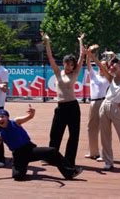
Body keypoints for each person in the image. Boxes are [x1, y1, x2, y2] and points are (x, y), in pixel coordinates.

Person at [0, 106, 83, 181]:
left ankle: (69, 172)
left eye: (2, 116)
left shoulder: (16, 122)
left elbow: (29, 117)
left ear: (7, 117)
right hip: (18, 155)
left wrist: (32, 113)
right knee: (18, 177)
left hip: (30, 150)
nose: (0, 119)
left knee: (52, 151)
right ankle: (20, 166)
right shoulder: (1, 135)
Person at [42, 32, 85, 167]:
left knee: (73, 135)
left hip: (72, 106)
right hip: (60, 107)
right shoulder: (57, 72)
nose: (68, 66)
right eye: (67, 63)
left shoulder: (75, 73)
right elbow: (50, 57)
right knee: (55, 133)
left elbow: (81, 56)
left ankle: (69, 160)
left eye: (71, 64)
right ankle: (51, 157)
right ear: (64, 63)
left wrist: (80, 41)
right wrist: (47, 41)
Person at [84, 44, 112, 160]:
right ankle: (93, 152)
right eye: (101, 65)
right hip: (93, 103)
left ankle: (105, 154)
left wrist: (93, 55)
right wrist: (88, 53)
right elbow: (88, 64)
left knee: (104, 129)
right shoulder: (93, 75)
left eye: (104, 65)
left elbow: (102, 65)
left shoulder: (108, 77)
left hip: (104, 102)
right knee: (91, 128)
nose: (101, 67)